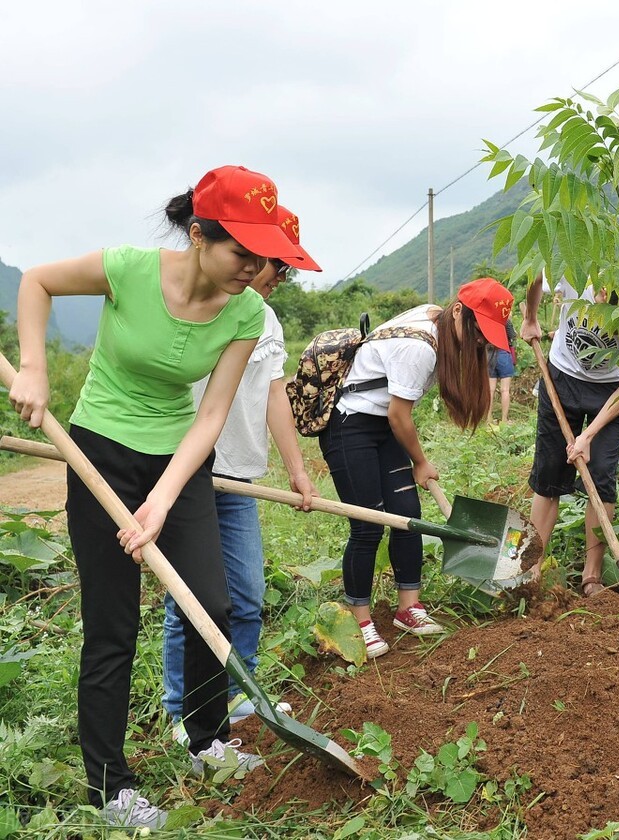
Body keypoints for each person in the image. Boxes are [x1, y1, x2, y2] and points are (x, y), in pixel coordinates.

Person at [8, 165, 309, 828]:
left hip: (176, 456)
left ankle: (205, 740)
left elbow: (210, 417)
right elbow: (37, 282)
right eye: (241, 251)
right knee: (113, 625)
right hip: (99, 451)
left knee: (213, 600)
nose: (252, 267)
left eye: (262, 256)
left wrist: (164, 499)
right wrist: (33, 367)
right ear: (199, 235)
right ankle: (110, 786)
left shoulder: (247, 310)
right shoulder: (130, 269)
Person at [162, 206, 321, 745]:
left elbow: (275, 395)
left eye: (281, 270)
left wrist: (298, 470)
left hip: (239, 479)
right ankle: (180, 710)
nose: (276, 278)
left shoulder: (264, 317)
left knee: (247, 596)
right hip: (191, 473)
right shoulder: (206, 305)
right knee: (188, 599)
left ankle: (235, 693)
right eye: (276, 266)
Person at [319, 277, 514, 658]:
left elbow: (394, 416)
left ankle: (408, 608)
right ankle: (359, 621)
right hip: (351, 426)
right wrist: (421, 463)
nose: (480, 343)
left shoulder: (439, 321)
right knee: (368, 523)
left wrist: (417, 461)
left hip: (382, 426)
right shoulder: (420, 347)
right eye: (479, 333)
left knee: (408, 514)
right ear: (458, 310)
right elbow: (399, 415)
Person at [521, 274, 619, 598]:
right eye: (602, 297)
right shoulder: (576, 273)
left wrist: (587, 435)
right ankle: (529, 572)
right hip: (561, 377)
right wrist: (530, 318)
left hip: (610, 393)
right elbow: (536, 274)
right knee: (548, 475)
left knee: (601, 475)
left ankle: (592, 577)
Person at [487, 314, 519, 425]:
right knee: (505, 390)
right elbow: (513, 336)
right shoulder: (506, 321)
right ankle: (504, 420)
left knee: (490, 390)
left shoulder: (489, 320)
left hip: (490, 354)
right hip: (503, 354)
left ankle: (489, 418)